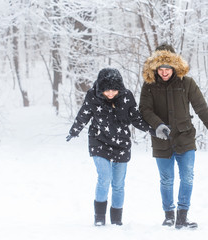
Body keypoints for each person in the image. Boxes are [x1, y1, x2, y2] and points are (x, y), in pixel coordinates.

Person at [139, 43, 208, 229]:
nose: (164, 72)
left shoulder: (187, 83)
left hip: (185, 138)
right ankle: (169, 215)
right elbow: (144, 109)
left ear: (174, 66)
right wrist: (158, 125)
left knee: (188, 177)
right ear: (155, 68)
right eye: (161, 68)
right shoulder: (149, 86)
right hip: (162, 140)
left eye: (168, 68)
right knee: (167, 179)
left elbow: (201, 107)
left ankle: (182, 216)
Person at [66, 68, 155, 226]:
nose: (111, 94)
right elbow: (84, 114)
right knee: (104, 177)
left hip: (121, 143)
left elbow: (136, 118)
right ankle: (99, 218)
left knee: (118, 184)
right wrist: (74, 130)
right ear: (101, 88)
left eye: (114, 90)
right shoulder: (93, 96)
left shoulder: (126, 96)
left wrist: (152, 129)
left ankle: (116, 220)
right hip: (99, 141)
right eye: (107, 91)